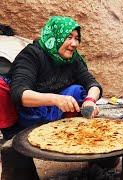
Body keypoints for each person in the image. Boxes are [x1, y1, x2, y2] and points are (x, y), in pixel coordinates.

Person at [0, 16, 102, 180]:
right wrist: (56, 99)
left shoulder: (73, 60)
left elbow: (93, 84)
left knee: (78, 90)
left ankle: (65, 132)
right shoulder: (32, 55)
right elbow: (19, 93)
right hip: (25, 113)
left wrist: (90, 101)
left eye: (77, 38)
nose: (74, 44)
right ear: (55, 36)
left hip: (53, 112)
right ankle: (12, 135)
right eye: (68, 37)